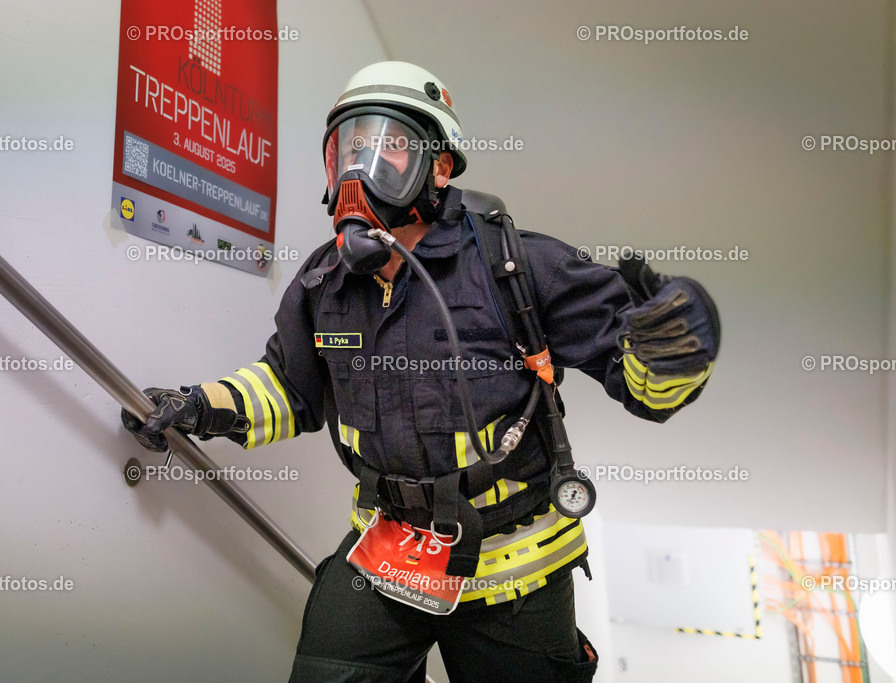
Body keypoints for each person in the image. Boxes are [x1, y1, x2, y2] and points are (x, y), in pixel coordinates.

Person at [122, 61, 720, 682]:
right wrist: (200, 406)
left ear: (438, 166)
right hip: (384, 553)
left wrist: (671, 355)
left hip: (514, 570)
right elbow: (290, 387)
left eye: (389, 146)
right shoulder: (325, 282)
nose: (360, 168)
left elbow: (643, 384)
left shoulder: (515, 266)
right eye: (348, 148)